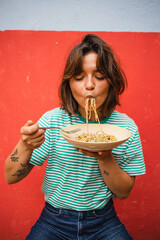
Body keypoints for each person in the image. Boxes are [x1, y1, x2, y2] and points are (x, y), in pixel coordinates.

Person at [5, 34, 146, 240]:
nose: (89, 85)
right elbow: (10, 177)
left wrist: (105, 157)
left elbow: (124, 192)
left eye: (99, 77)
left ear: (112, 81)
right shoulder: (53, 120)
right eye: (79, 77)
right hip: (53, 219)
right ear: (69, 84)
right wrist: (25, 145)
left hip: (104, 221)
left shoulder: (126, 127)